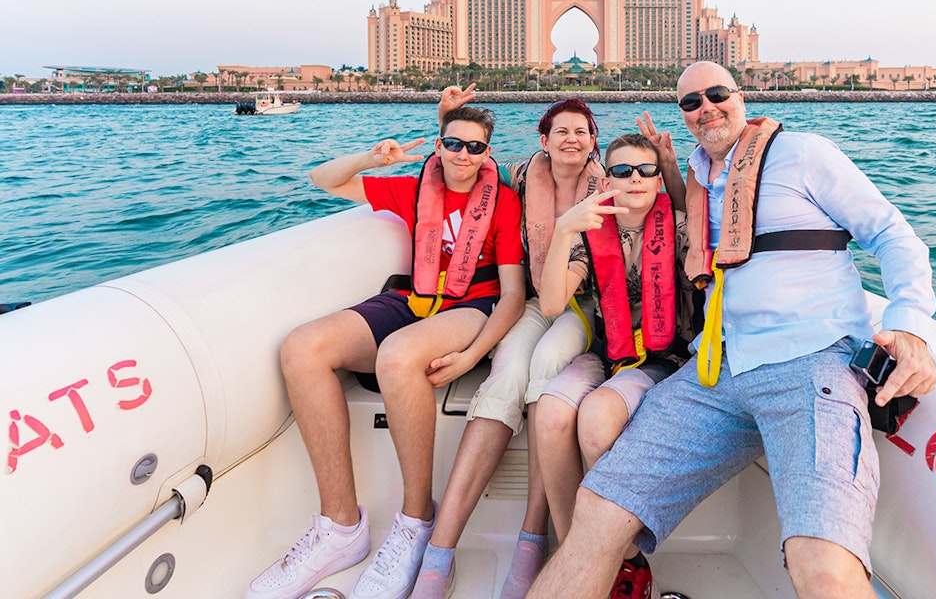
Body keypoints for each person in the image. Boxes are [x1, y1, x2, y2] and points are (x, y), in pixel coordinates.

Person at [526, 61, 936, 599]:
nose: (706, 108)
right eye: (691, 102)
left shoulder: (803, 154)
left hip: (811, 365)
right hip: (713, 373)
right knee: (596, 512)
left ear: (741, 96)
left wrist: (910, 327)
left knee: (821, 563)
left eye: (716, 93)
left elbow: (893, 234)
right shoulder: (696, 181)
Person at [410, 91, 685, 599]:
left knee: (549, 366)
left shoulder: (645, 205)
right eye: (561, 131)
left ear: (595, 146)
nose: (572, 139)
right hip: (547, 303)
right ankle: (443, 549)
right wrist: (447, 123)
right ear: (543, 140)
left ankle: (548, 541)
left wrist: (666, 165)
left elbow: (680, 209)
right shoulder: (523, 179)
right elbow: (464, 158)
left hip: (604, 322)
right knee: (515, 375)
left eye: (582, 132)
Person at [246, 106, 527, 599]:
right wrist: (372, 158)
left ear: (488, 154)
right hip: (411, 300)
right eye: (453, 143)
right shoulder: (412, 189)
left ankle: (416, 520)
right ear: (439, 146)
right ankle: (340, 528)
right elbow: (323, 179)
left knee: (396, 357)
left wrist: (472, 355)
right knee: (302, 347)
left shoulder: (503, 203)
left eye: (475, 147)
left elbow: (512, 296)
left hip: (473, 306)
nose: (462, 154)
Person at [532, 134, 695, 599]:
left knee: (598, 416)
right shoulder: (589, 230)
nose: (636, 180)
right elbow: (550, 302)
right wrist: (564, 228)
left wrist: (672, 170)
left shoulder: (682, 228)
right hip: (608, 353)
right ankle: (577, 553)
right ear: (607, 178)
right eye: (623, 171)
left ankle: (623, 558)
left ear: (658, 177)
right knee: (550, 411)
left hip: (665, 360)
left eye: (646, 171)